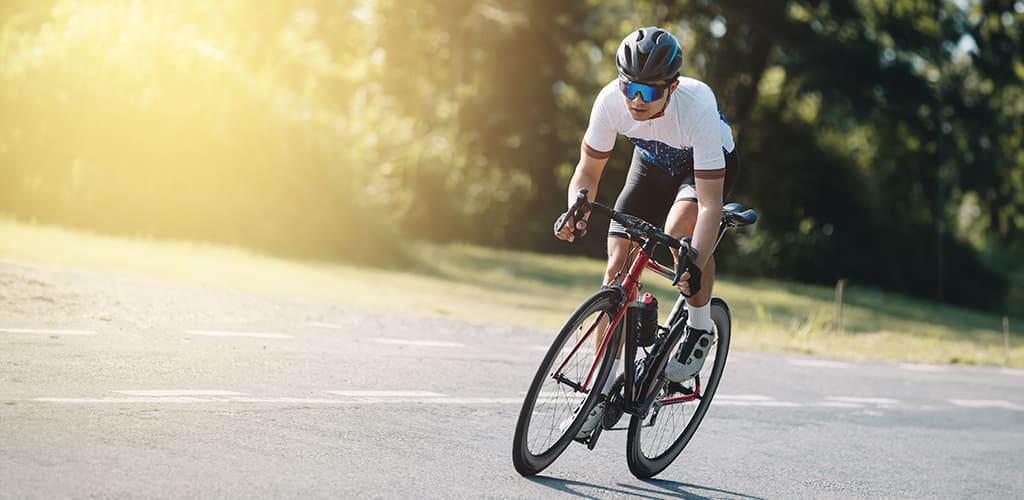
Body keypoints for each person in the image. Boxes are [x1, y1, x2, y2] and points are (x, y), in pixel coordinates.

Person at [554, 26, 740, 438]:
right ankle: (598, 394)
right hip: (652, 164)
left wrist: (693, 257)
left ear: (671, 88)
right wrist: (576, 205)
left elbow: (709, 203)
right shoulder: (610, 102)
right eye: (629, 87)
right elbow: (587, 170)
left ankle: (698, 326)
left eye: (649, 91)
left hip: (701, 171)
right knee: (616, 265)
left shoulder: (697, 108)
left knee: (676, 244)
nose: (636, 100)